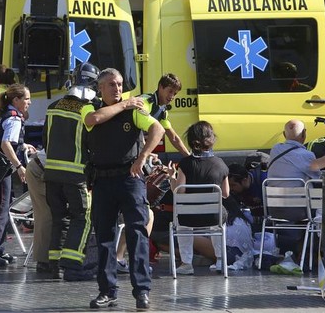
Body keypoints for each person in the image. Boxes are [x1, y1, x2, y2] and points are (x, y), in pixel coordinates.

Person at [82, 68, 165, 309]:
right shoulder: (90, 107)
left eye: (119, 84)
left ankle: (142, 291)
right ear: (100, 88)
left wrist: (142, 158)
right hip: (102, 180)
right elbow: (93, 120)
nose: (117, 89)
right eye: (111, 85)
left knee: (136, 233)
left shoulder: (134, 112)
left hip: (129, 179)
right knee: (105, 236)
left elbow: (157, 129)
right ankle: (107, 291)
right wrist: (125, 104)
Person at [42, 62, 100, 279]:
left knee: (60, 218)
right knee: (82, 217)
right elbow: (92, 146)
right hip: (76, 176)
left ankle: (55, 264)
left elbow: (45, 141)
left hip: (51, 173)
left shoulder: (53, 107)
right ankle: (73, 264)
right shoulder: (88, 112)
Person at [166, 120, 229, 275]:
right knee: (219, 224)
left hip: (189, 218)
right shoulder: (221, 164)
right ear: (212, 139)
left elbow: (179, 192)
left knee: (182, 226)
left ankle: (186, 263)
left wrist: (171, 177)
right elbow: (226, 193)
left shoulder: (185, 164)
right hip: (213, 217)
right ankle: (221, 261)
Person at [0, 83, 35, 267]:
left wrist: (23, 146)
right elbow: (5, 144)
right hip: (0, 168)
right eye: (26, 98)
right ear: (16, 100)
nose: (29, 102)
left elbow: (5, 139)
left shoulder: (4, 113)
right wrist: (19, 167)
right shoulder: (14, 118)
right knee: (0, 208)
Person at [144, 73, 190, 156]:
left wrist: (189, 156)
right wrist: (145, 154)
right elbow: (136, 133)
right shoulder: (146, 102)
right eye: (170, 91)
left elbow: (173, 138)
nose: (172, 96)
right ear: (161, 87)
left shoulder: (162, 110)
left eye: (175, 94)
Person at [267, 119, 320, 186]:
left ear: (284, 134)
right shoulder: (306, 155)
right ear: (304, 133)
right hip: (299, 195)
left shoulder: (275, 149)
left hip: (271, 195)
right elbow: (317, 178)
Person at [25, 149, 52, 273]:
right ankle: (44, 261)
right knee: (47, 216)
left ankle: (47, 259)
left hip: (42, 168)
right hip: (39, 171)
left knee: (47, 215)